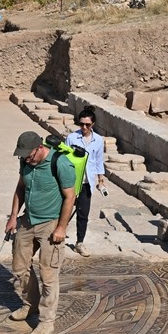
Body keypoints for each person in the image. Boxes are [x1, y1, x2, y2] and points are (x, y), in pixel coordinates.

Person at [3, 130, 76, 334]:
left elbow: (70, 197)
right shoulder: (25, 162)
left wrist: (61, 228)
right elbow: (20, 188)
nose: (26, 158)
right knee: (19, 267)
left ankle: (46, 322)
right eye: (23, 156)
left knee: (48, 275)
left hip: (51, 223)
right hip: (28, 220)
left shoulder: (60, 164)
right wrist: (14, 216)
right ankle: (30, 304)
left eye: (29, 155)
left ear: (40, 148)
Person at [65, 107, 107, 257]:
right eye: (81, 124)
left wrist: (101, 179)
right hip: (71, 181)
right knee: (65, 209)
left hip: (87, 182)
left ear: (93, 124)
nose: (84, 127)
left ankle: (79, 242)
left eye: (87, 125)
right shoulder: (71, 138)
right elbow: (64, 158)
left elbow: (98, 161)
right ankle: (59, 232)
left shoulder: (99, 140)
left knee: (83, 213)